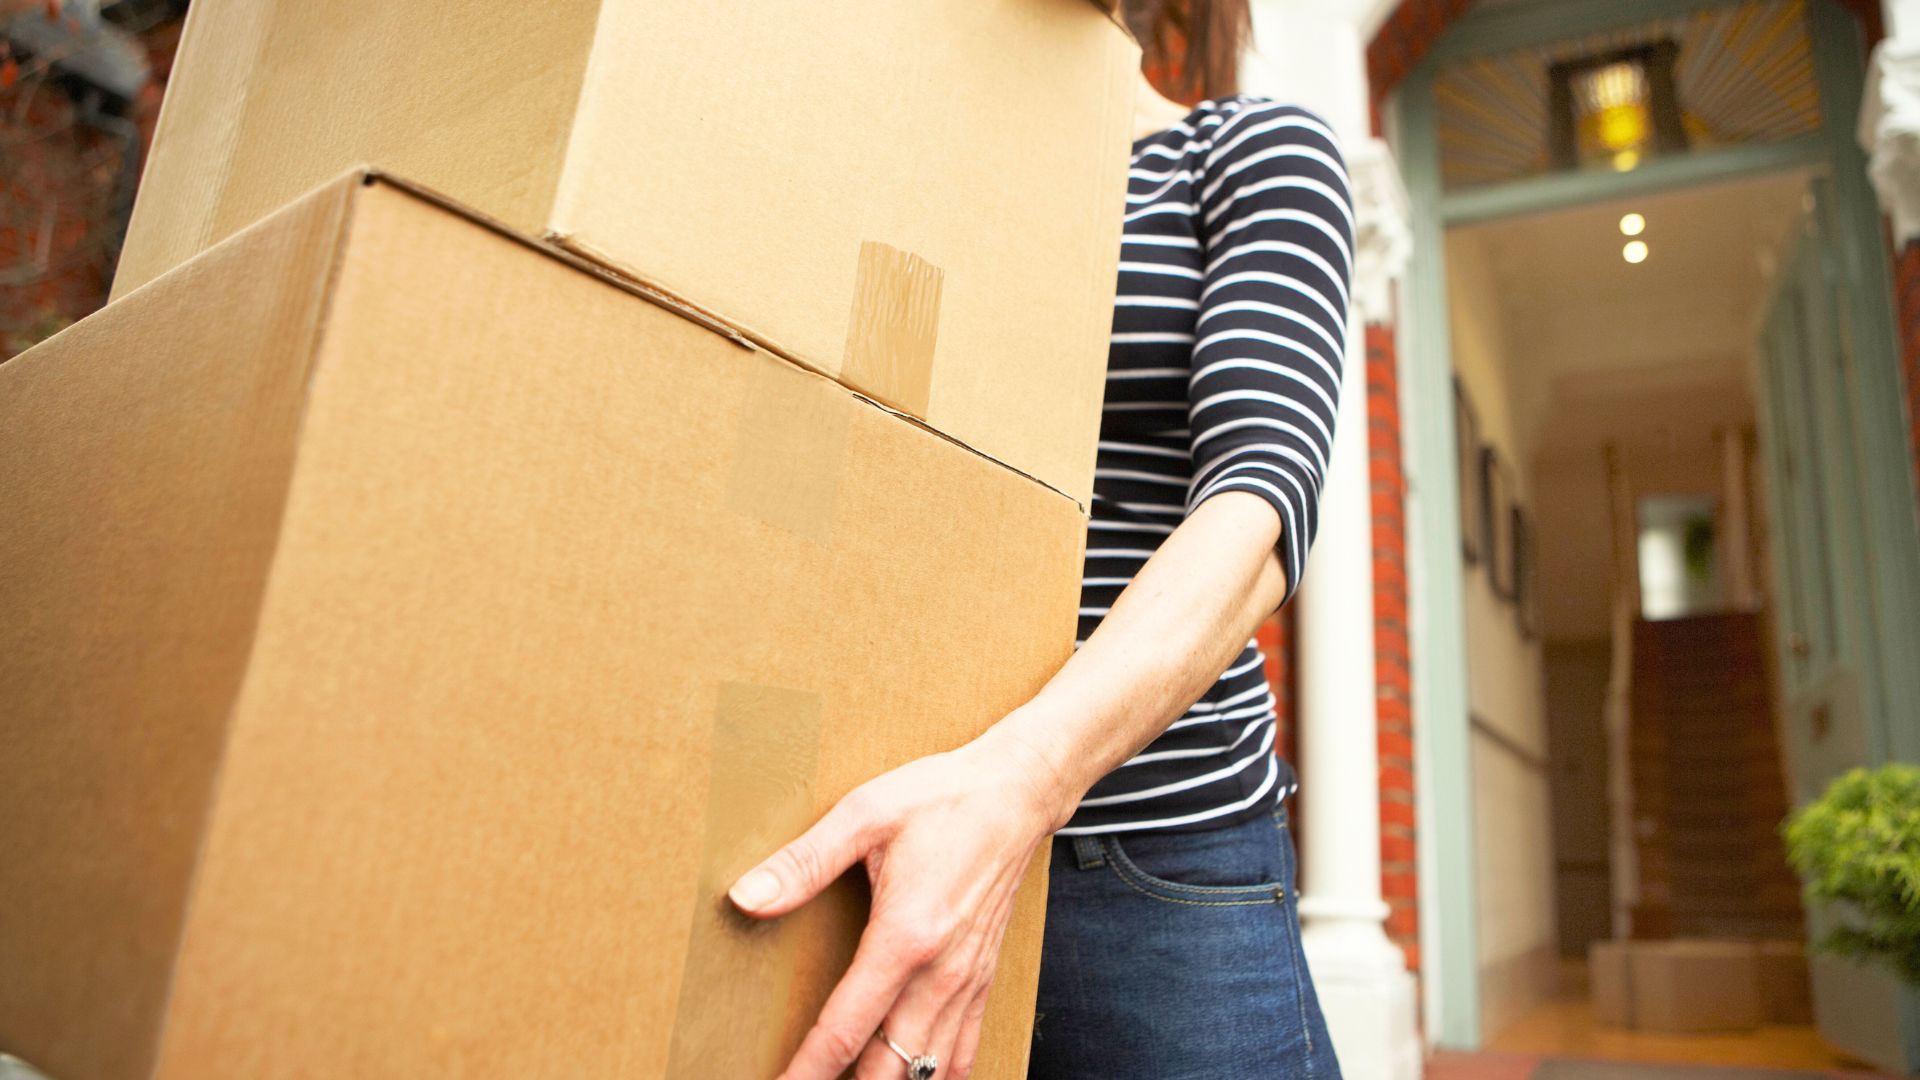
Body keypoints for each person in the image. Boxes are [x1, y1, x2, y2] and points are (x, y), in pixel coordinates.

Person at [728, 1, 1355, 1075]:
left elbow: (1257, 503)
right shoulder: (883, 166)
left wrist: (1019, 787)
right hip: (877, 841)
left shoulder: (1248, 153)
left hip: (1152, 870)